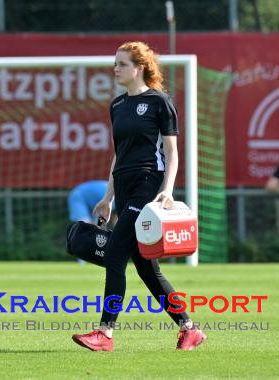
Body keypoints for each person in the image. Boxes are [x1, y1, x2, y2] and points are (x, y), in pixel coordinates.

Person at [71, 41, 206, 352]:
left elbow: (171, 152)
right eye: (115, 63)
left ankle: (105, 333)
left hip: (148, 185)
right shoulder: (117, 105)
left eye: (121, 63)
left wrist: (167, 190)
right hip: (125, 187)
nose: (115, 68)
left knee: (116, 254)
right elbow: (119, 155)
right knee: (145, 267)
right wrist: (108, 197)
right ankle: (190, 329)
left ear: (139, 68)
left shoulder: (160, 102)